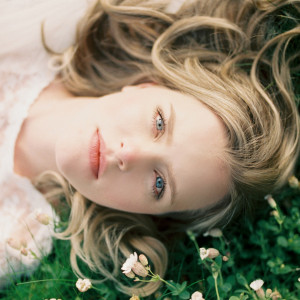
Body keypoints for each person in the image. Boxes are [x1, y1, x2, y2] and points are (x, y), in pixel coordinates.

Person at [0, 0, 299, 296]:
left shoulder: (15, 241)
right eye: (159, 123)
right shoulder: (33, 25)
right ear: (147, 86)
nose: (129, 154)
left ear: (150, 215)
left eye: (159, 183)